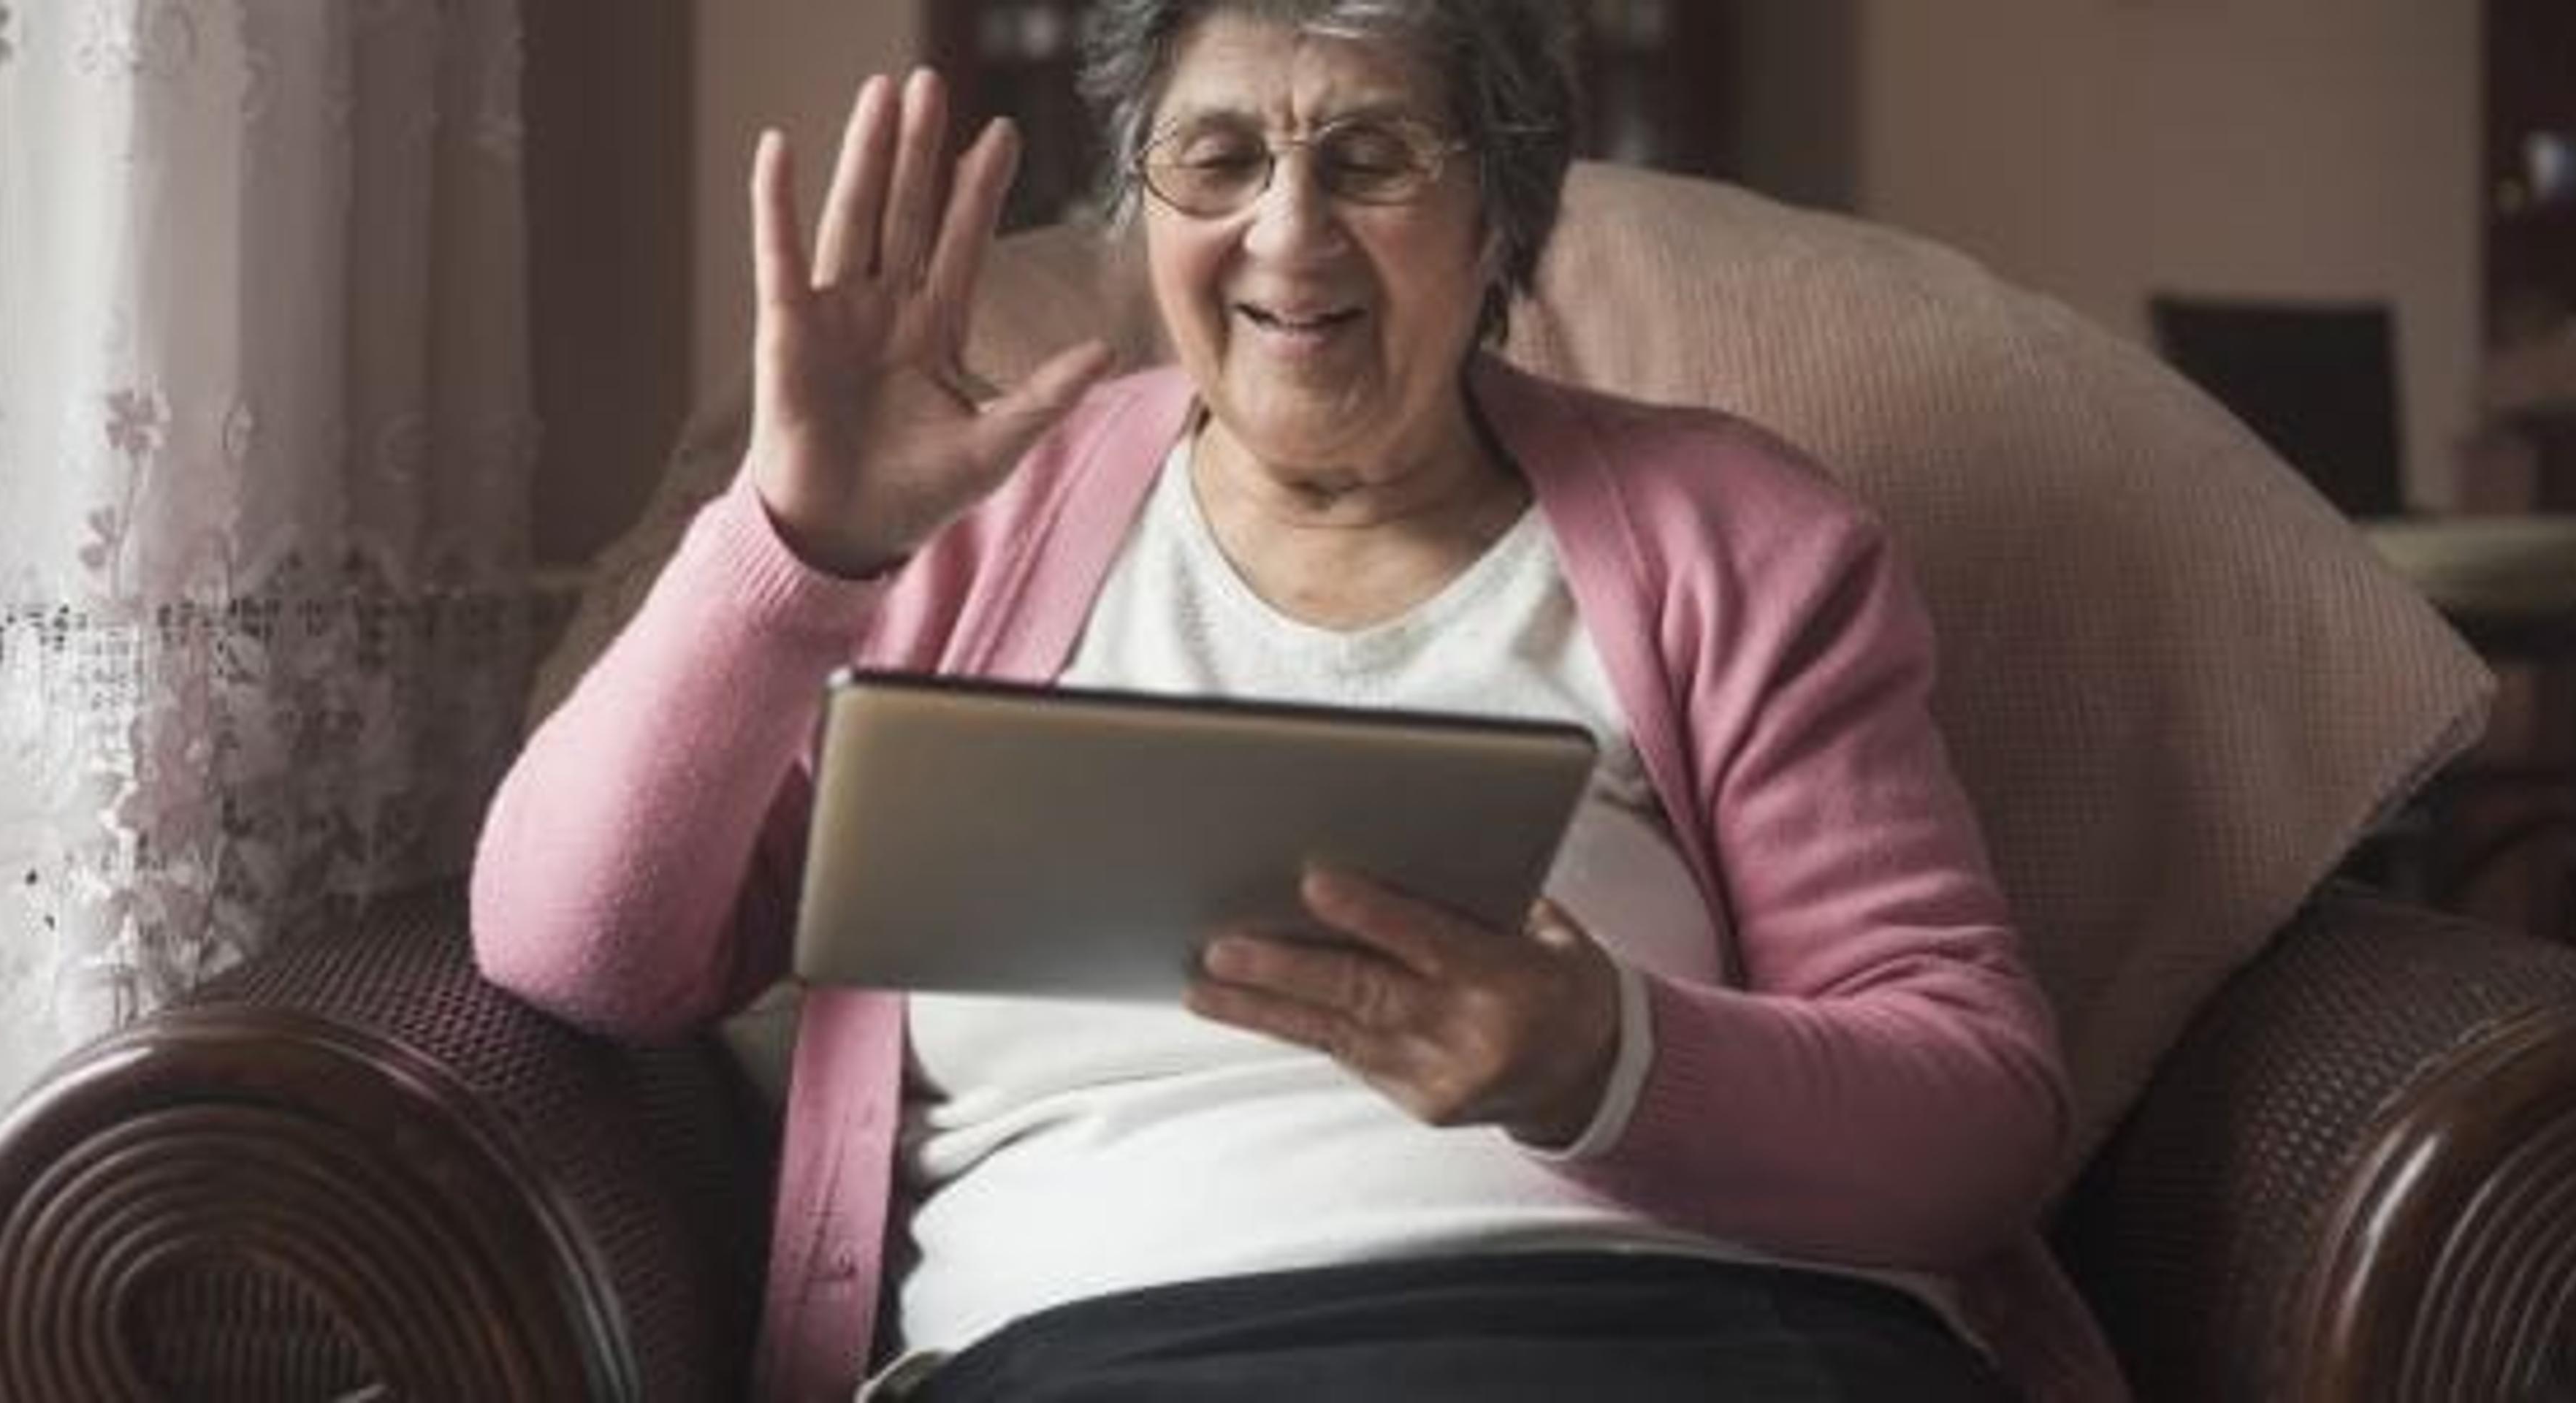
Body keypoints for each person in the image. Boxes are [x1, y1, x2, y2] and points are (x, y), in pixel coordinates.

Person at [471, 1, 2125, 1398]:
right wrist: (796, 545)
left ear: (1501, 216)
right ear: (1143, 206)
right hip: (1104, 1358)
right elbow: (577, 951)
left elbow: (1977, 1112)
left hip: (1689, 1337)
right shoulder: (945, 531)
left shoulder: (1739, 540)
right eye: (1218, 158)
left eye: (1372, 156)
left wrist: (1605, 1063)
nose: (1287, 232)